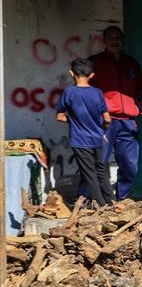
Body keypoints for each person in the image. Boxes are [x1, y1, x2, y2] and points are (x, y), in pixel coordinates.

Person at [88, 25, 142, 200]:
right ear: (104, 41)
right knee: (98, 162)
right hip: (104, 121)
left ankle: (122, 200)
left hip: (128, 121)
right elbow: (85, 90)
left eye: (118, 37)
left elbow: (140, 89)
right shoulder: (95, 62)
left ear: (123, 41)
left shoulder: (132, 63)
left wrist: (141, 106)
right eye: (111, 37)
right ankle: (90, 200)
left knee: (130, 166)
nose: (115, 41)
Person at [56, 58, 114, 207]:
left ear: (71, 73)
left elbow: (60, 117)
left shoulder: (69, 93)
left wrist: (74, 120)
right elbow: (107, 119)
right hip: (97, 139)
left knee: (90, 175)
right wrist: (103, 132)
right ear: (92, 75)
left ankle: (101, 206)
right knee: (101, 173)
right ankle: (113, 203)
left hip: (79, 141)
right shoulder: (98, 93)